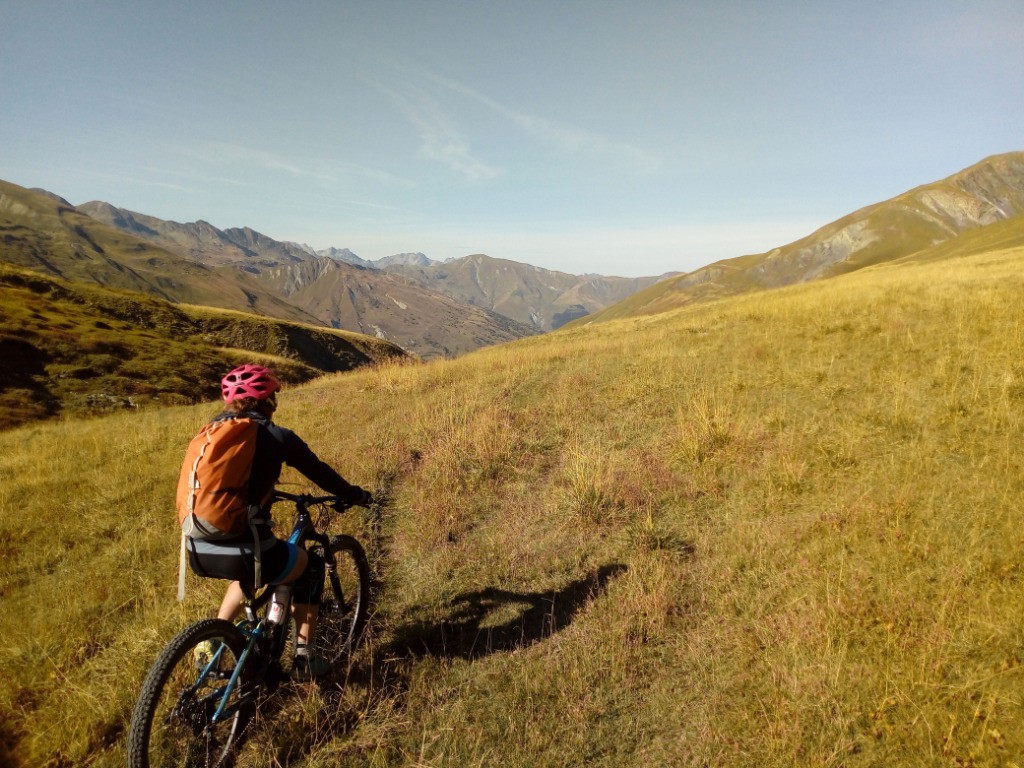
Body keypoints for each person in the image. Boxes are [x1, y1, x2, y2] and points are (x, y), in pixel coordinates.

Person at [185, 364, 372, 679]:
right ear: (269, 401)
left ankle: (211, 643)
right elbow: (321, 473)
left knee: (248, 566)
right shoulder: (276, 436)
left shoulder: (210, 434)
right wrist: (355, 494)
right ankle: (304, 658)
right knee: (309, 565)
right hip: (246, 550)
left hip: (197, 547)